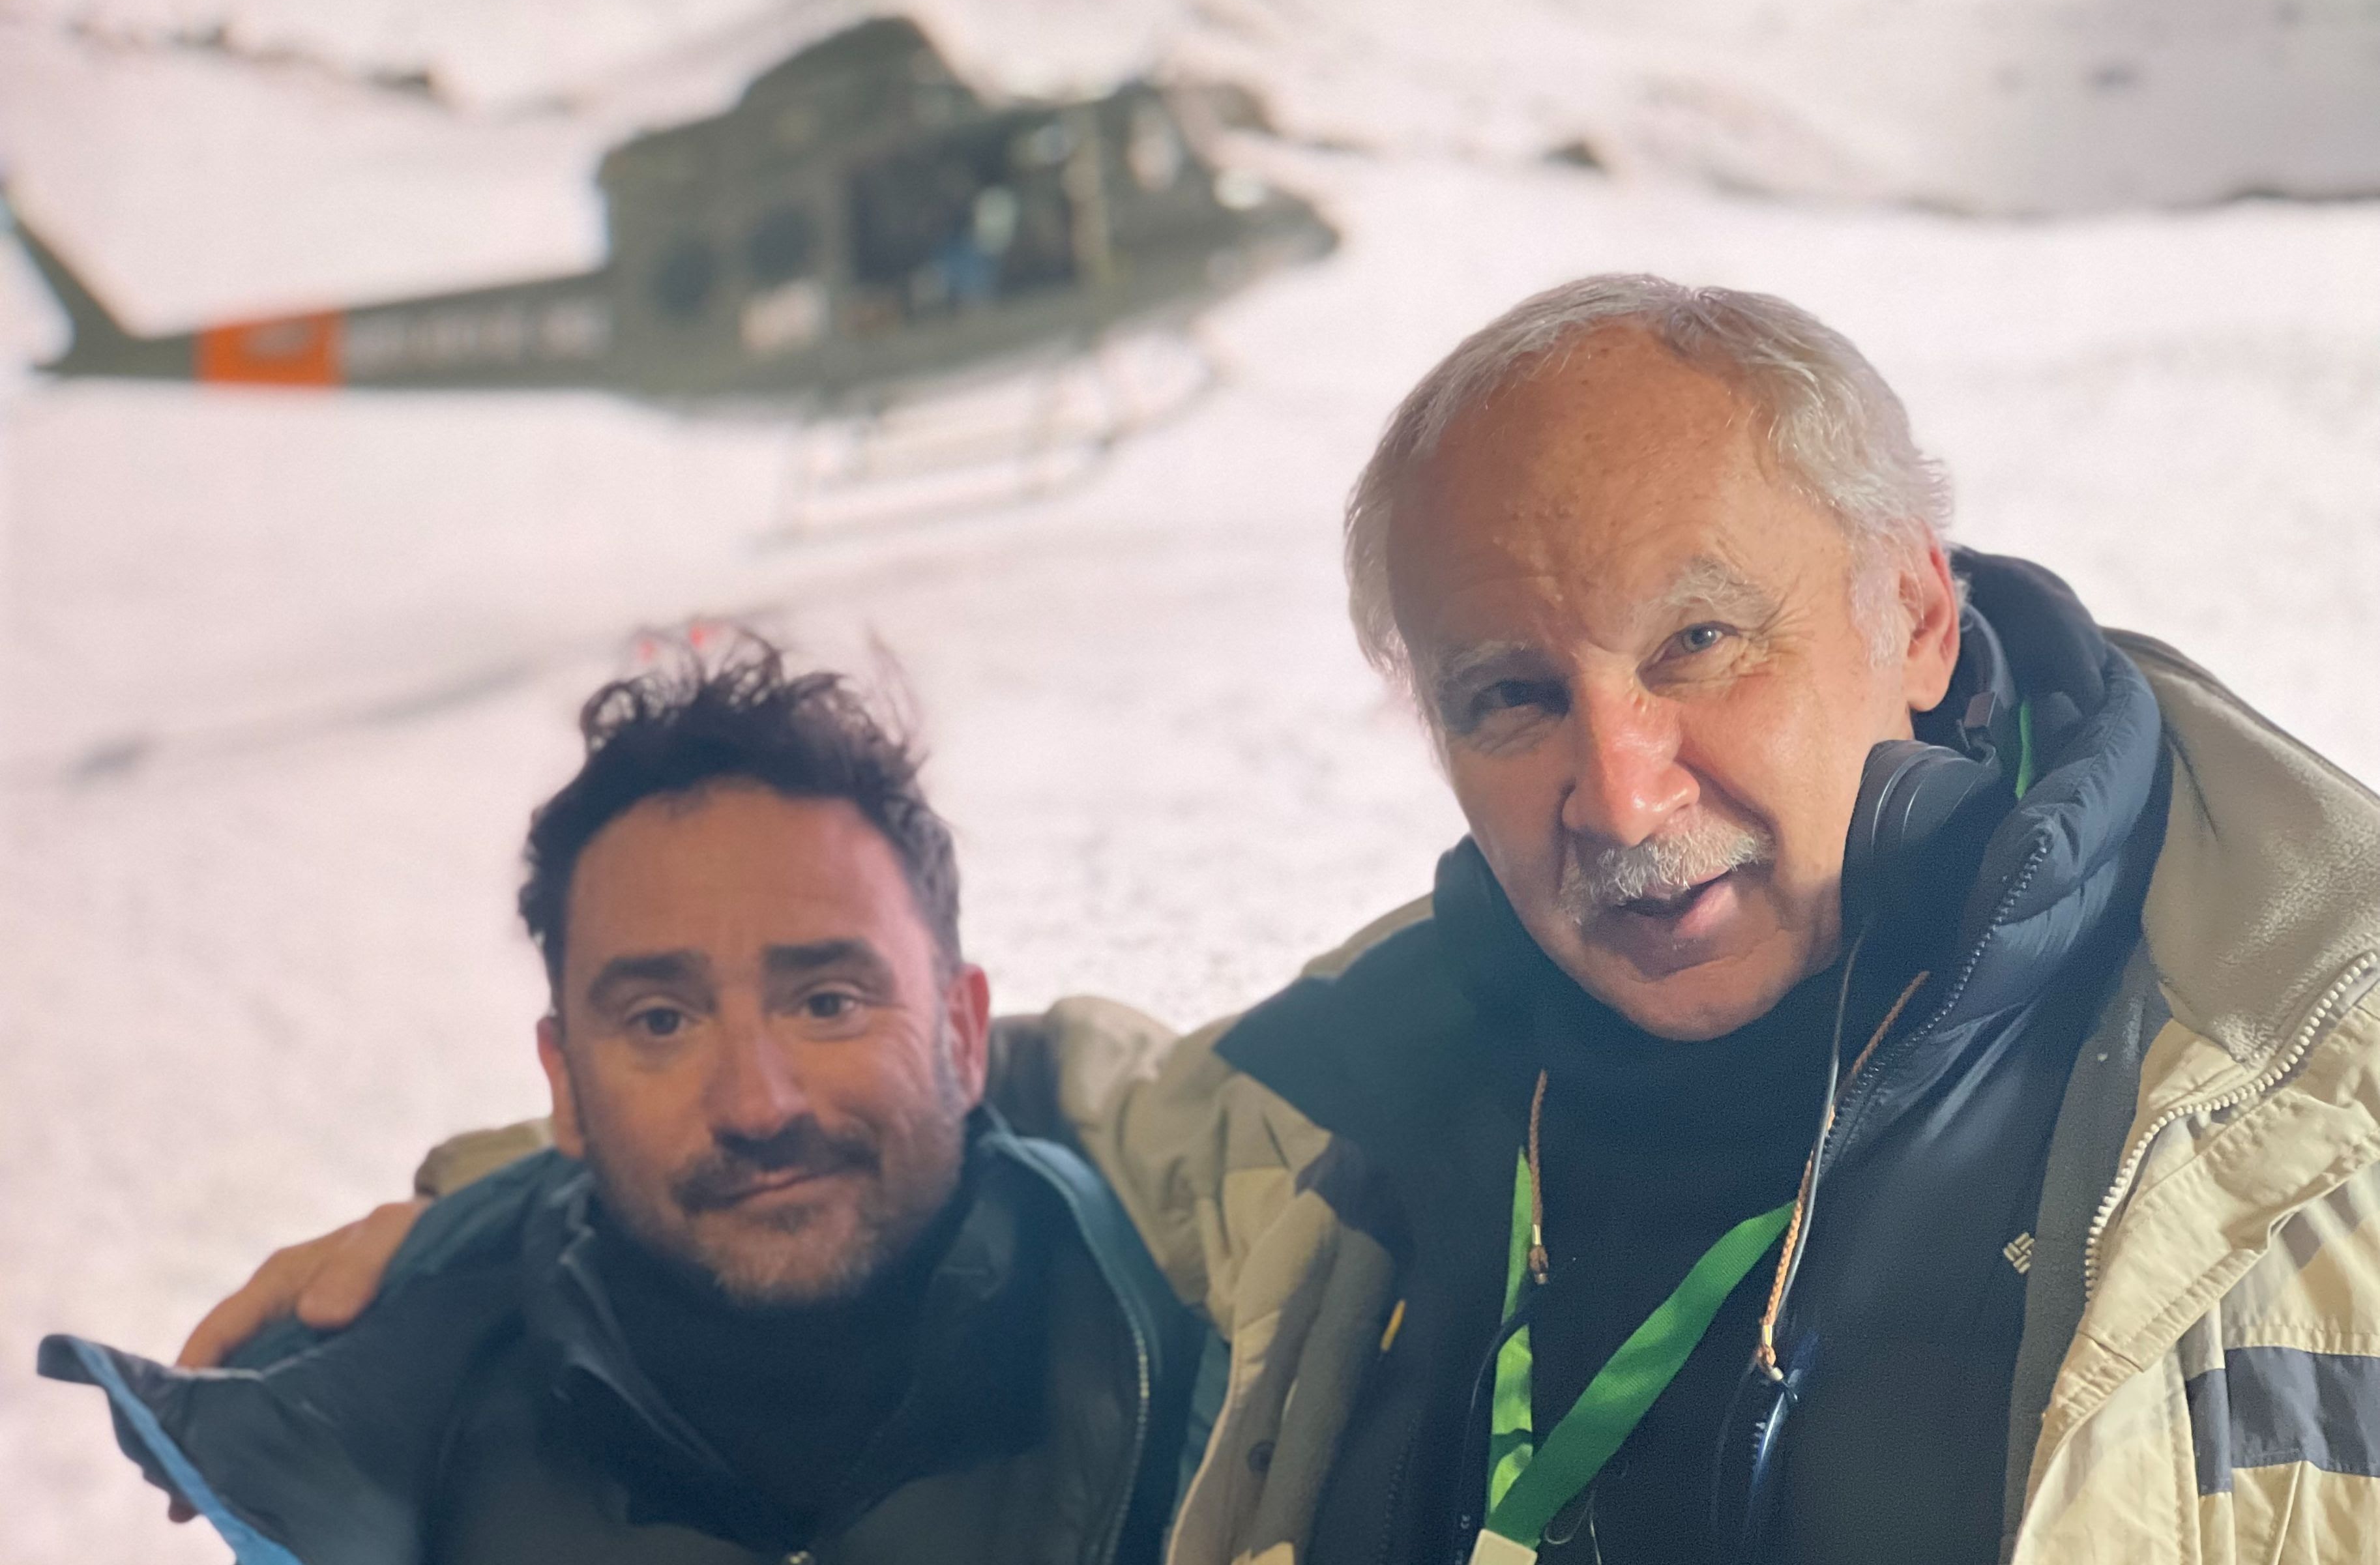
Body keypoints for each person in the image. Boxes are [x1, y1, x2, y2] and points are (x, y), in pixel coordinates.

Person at [175, 276, 2380, 1565]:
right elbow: (973, 1106)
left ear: (1910, 609)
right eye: (1512, 693)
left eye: (1701, 642)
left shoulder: (2314, 1110)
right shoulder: (1361, 1101)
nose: (1615, 792)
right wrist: (488, 1210)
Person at [42, 645, 1200, 1565]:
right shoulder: (417, 1461)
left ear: (960, 1028)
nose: (757, 1101)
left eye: (829, 1000)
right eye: (661, 1021)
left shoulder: (1231, 1344)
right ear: (565, 1089)